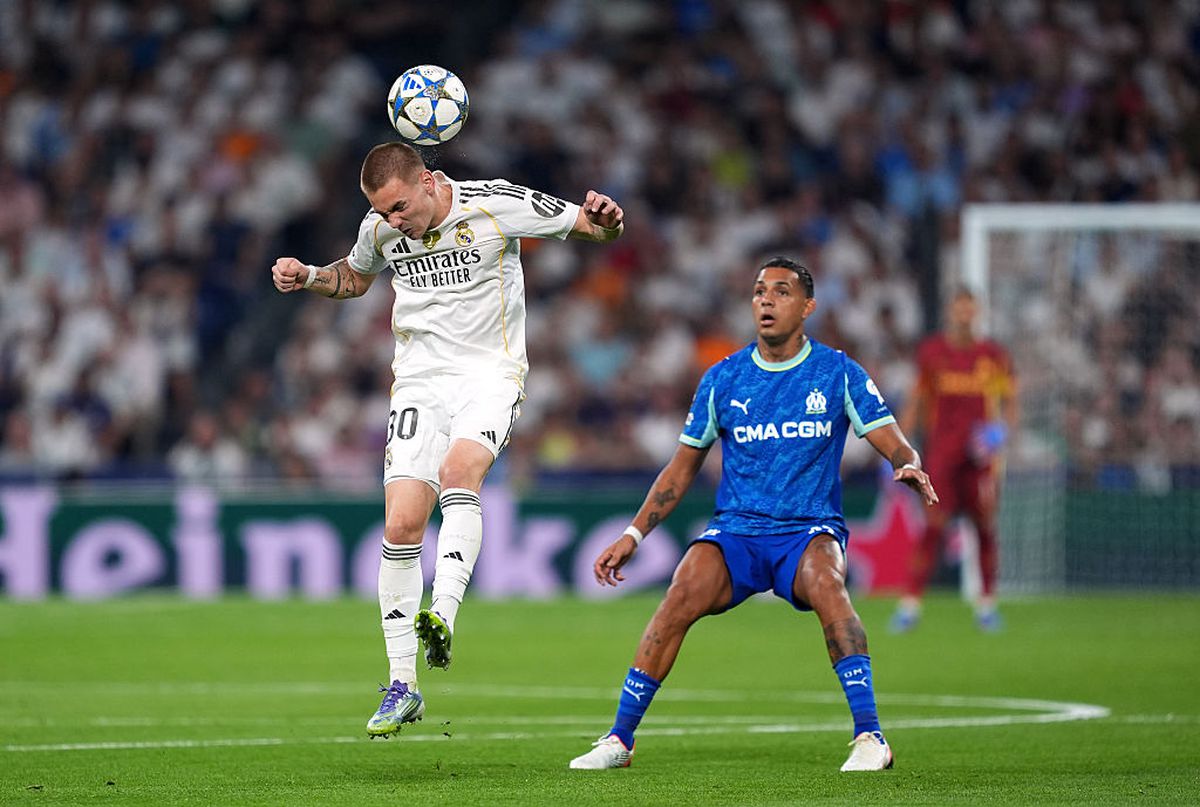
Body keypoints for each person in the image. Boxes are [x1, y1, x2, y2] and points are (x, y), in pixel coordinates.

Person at [270, 142, 624, 738]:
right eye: (383, 212)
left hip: (490, 375)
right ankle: (403, 685)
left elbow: (588, 226)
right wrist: (307, 276)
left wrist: (608, 219)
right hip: (418, 385)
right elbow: (355, 278)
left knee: (461, 474)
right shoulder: (381, 230)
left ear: (431, 181)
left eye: (400, 207)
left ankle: (445, 614)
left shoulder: (496, 204)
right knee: (402, 524)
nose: (393, 222)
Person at [568, 257, 938, 772]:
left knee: (829, 583)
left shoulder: (837, 372)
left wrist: (908, 465)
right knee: (680, 591)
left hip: (808, 529)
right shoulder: (724, 378)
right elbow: (680, 469)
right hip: (738, 531)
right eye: (759, 291)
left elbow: (893, 441)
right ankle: (619, 739)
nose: (765, 300)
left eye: (781, 292)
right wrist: (634, 533)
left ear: (808, 307)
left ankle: (870, 737)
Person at [889, 287, 1017, 633]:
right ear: (950, 312)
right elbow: (916, 400)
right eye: (958, 309)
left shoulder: (994, 355)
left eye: (969, 309)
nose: (964, 315)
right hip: (942, 456)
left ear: (977, 313)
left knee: (985, 526)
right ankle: (910, 605)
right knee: (933, 526)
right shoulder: (932, 353)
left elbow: (1010, 401)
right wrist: (898, 448)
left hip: (981, 459)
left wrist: (1002, 434)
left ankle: (987, 604)